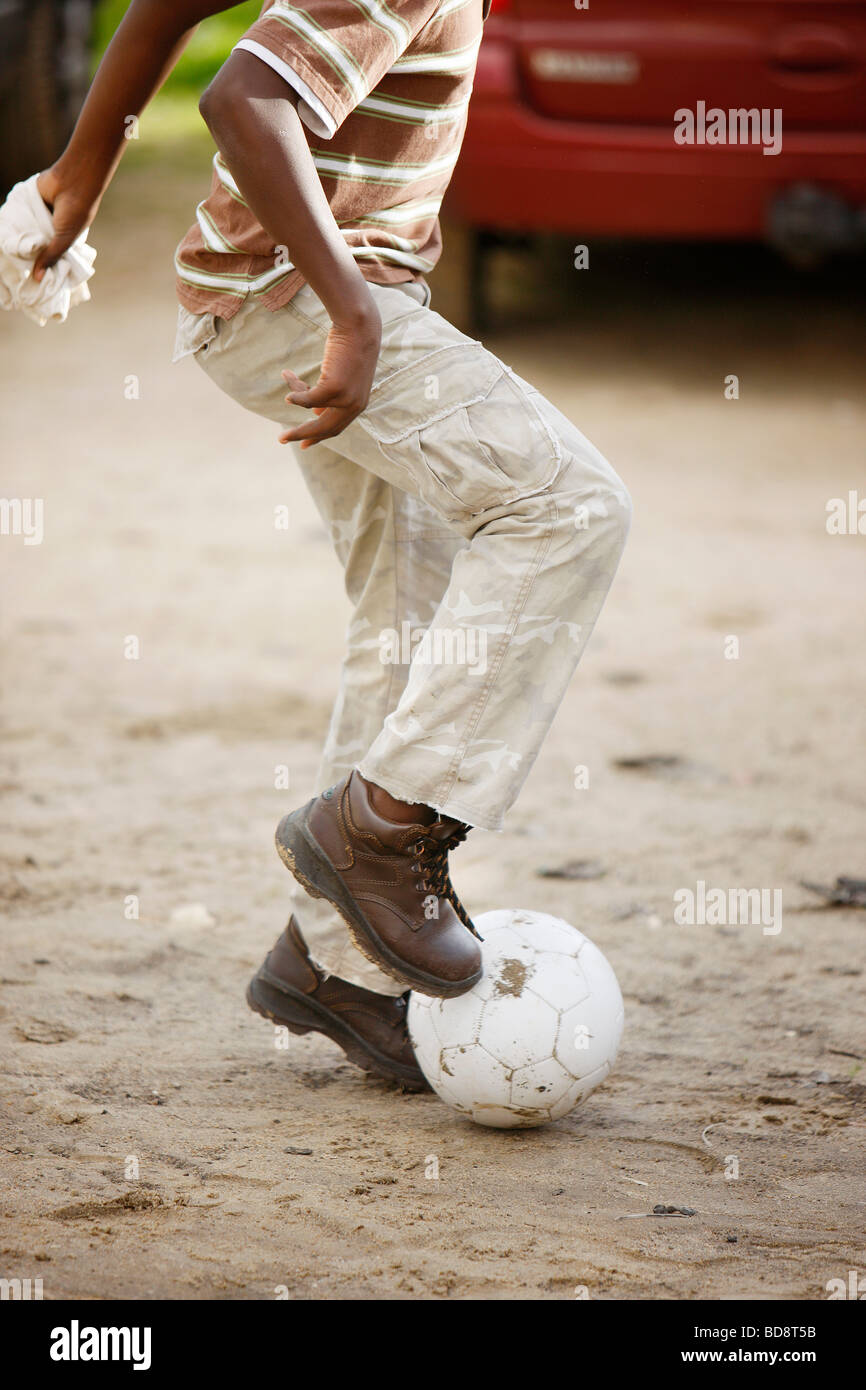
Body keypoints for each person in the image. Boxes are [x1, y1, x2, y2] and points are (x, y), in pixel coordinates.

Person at [34, 0, 632, 1091]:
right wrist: (352, 311)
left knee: (410, 604)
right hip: (301, 299)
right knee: (567, 503)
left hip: (301, 294)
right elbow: (241, 97)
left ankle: (332, 962)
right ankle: (377, 830)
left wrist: (74, 176)